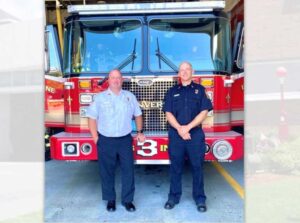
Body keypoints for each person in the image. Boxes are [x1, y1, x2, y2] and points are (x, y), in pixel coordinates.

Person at [86, 69, 145, 212]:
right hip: (106, 139)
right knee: (106, 171)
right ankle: (110, 200)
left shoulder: (130, 96)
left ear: (122, 80)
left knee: (128, 170)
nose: (116, 80)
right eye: (113, 78)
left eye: (118, 78)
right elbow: (91, 118)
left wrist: (139, 131)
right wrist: (95, 138)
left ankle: (128, 200)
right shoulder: (99, 98)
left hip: (125, 139)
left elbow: (138, 115)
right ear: (108, 80)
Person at [162, 61, 213, 212]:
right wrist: (179, 129)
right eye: (182, 70)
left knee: (197, 167)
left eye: (187, 69)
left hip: (195, 134)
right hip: (176, 135)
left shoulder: (200, 90)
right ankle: (173, 197)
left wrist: (188, 128)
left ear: (192, 72)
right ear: (178, 73)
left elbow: (204, 112)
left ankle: (200, 199)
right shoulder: (172, 91)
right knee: (175, 167)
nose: (184, 72)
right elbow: (168, 113)